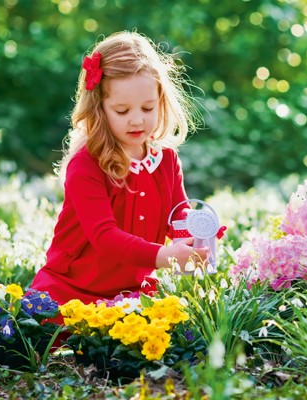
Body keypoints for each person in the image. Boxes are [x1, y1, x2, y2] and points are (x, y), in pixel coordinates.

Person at [31, 31, 207, 313]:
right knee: (41, 340)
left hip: (130, 295)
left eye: (148, 107)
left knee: (160, 340)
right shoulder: (87, 164)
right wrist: (163, 256)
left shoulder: (165, 160)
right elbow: (105, 237)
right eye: (122, 111)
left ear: (161, 101)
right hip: (70, 292)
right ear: (99, 109)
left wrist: (199, 236)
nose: (137, 120)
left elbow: (178, 216)